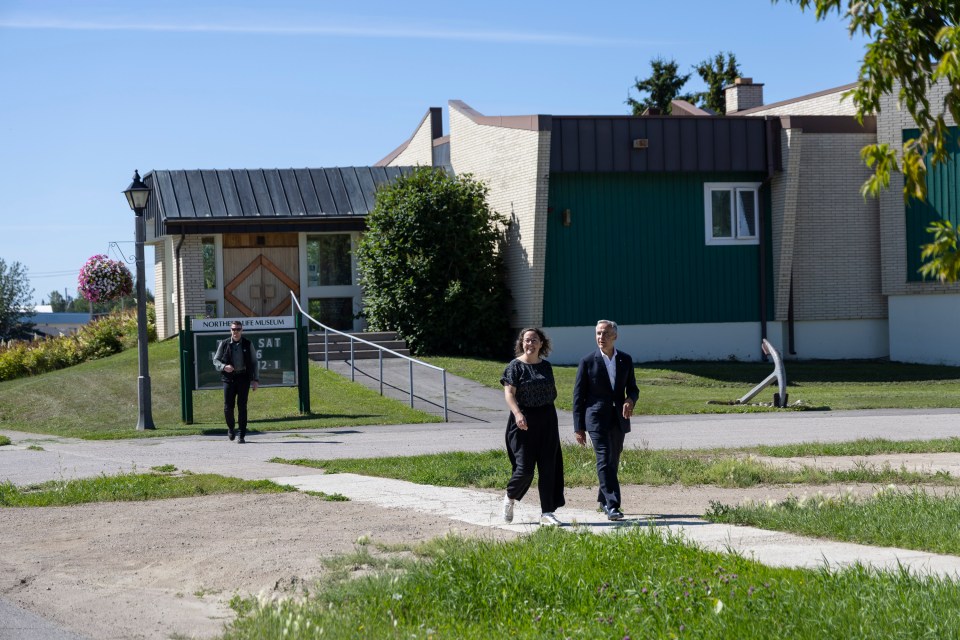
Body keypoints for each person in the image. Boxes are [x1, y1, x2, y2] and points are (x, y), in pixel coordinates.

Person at [573, 320, 639, 521]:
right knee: (603, 457)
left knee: (613, 459)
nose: (601, 337)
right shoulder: (588, 361)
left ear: (615, 336)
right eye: (598, 334)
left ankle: (603, 499)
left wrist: (630, 400)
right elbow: (578, 396)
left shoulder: (625, 360)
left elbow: (633, 389)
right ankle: (613, 505)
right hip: (595, 418)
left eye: (605, 334)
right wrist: (579, 427)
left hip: (619, 418)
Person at [501, 328, 565, 526]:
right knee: (525, 469)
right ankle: (510, 497)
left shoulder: (546, 366)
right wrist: (518, 413)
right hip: (523, 420)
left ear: (541, 344)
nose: (530, 344)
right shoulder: (515, 366)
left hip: (547, 419)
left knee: (548, 467)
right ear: (522, 343)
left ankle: (547, 512)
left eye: (534, 340)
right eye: (527, 340)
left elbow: (551, 392)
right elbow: (509, 394)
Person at [213, 320, 259, 444]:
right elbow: (215, 360)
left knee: (242, 407)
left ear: (242, 330)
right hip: (229, 379)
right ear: (230, 330)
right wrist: (224, 367)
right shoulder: (224, 344)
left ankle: (242, 435)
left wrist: (255, 380)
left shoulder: (248, 344)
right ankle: (231, 428)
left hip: (243, 377)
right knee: (228, 407)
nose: (236, 332)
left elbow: (254, 362)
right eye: (233, 329)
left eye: (238, 329)